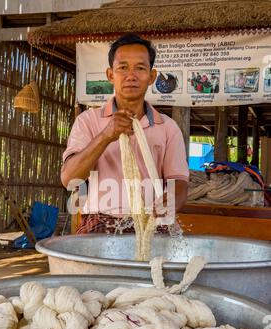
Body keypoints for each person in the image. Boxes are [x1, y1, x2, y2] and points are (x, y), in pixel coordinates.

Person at [61, 33, 189, 234]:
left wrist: (173, 199)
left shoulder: (167, 127)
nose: (131, 76)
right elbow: (70, 180)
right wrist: (105, 135)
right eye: (123, 67)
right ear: (111, 75)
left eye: (140, 68)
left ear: (152, 76)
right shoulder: (88, 121)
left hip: (152, 221)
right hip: (100, 221)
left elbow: (179, 182)